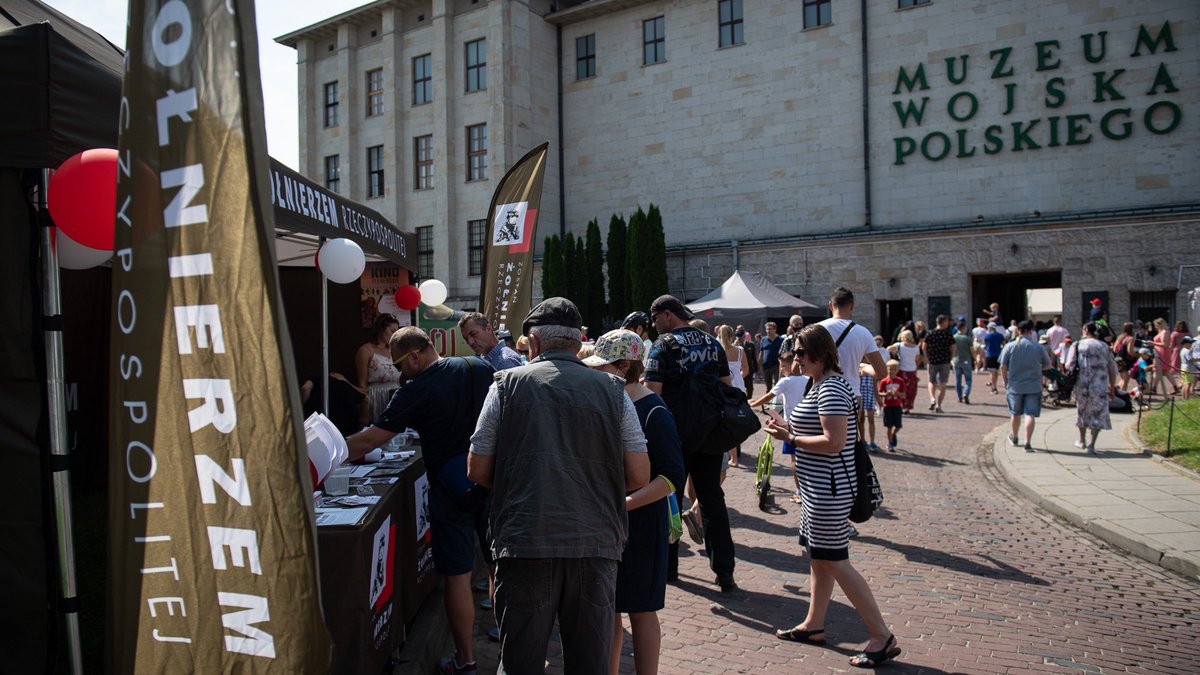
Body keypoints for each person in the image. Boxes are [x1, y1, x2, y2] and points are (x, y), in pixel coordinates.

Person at [467, 298, 650, 675]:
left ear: (533, 343)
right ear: (578, 341)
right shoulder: (614, 390)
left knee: (519, 662)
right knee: (590, 662)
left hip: (525, 539)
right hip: (594, 540)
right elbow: (638, 474)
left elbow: (478, 468)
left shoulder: (505, 385)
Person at [344, 327, 495, 675]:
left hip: (449, 489)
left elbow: (368, 442)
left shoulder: (417, 389)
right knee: (496, 566)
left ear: (414, 356)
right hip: (491, 480)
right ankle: (507, 641)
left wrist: (320, 452)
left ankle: (466, 660)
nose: (399, 372)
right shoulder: (478, 367)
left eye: (400, 364)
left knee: (457, 576)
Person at [763, 325, 901, 668]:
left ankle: (881, 635)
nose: (794, 358)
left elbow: (834, 443)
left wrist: (792, 439)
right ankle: (814, 624)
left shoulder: (832, 389)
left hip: (829, 490)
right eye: (793, 352)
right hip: (816, 489)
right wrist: (788, 430)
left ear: (820, 354)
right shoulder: (817, 385)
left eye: (799, 352)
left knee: (835, 559)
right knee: (819, 557)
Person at [581, 330, 686, 675]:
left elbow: (671, 477)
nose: (595, 372)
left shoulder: (654, 411)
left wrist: (626, 503)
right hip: (609, 522)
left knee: (640, 610)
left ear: (624, 366)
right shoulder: (608, 402)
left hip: (641, 526)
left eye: (603, 366)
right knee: (607, 608)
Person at [645, 295, 737, 592]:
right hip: (710, 433)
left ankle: (668, 569)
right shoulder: (712, 343)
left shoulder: (664, 345)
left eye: (655, 317)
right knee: (712, 501)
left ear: (669, 315)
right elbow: (727, 387)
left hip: (675, 434)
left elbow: (653, 393)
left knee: (668, 498)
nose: (653, 323)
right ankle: (725, 572)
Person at [818, 287, 887, 430]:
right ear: (852, 306)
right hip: (851, 393)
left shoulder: (817, 329)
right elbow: (881, 372)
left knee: (820, 437)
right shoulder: (863, 333)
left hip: (820, 391)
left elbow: (797, 368)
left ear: (830, 305)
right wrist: (864, 367)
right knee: (847, 441)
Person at [750, 351, 810, 501]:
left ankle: (799, 492)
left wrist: (752, 403)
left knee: (794, 459)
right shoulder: (809, 379)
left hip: (791, 424)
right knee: (808, 457)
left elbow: (768, 396)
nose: (781, 369)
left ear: (792, 365)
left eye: (784, 366)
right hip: (808, 423)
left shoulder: (786, 381)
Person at [999, 320, 1054, 452]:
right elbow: (1048, 365)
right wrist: (1038, 368)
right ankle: (1028, 442)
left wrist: (1005, 381)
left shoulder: (1010, 346)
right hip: (1034, 385)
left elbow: (1002, 366)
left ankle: (1015, 436)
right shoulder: (1038, 347)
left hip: (1015, 385)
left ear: (1018, 330)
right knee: (1030, 414)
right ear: (1031, 331)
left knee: (1015, 413)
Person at [1068, 322, 1119, 454]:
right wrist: (1112, 388)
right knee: (1098, 413)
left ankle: (1082, 440)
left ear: (1085, 330)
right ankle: (1091, 445)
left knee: (1082, 412)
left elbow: (1069, 365)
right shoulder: (1104, 346)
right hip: (1100, 385)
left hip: (1082, 384)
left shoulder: (1077, 345)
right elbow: (1113, 370)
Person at [355, 313, 401, 423]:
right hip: (376, 396)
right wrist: (365, 411)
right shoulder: (366, 350)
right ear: (381, 329)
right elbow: (362, 384)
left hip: (395, 394)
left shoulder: (395, 350)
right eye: (392, 331)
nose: (395, 335)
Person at [717, 324, 750, 468]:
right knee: (738, 419)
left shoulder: (718, 351)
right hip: (738, 387)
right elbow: (746, 370)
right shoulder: (740, 351)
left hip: (724, 387)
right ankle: (736, 452)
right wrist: (738, 378)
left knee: (726, 422)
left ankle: (733, 457)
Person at [458, 311, 524, 371]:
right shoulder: (485, 359)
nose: (470, 342)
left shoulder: (506, 361)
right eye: (466, 339)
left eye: (473, 334)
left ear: (488, 328)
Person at [922, 314, 955, 412]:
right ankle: (938, 405)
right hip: (945, 361)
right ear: (943, 322)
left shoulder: (930, 333)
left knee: (931, 381)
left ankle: (932, 398)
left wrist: (926, 357)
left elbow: (924, 346)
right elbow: (953, 347)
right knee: (943, 383)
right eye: (946, 321)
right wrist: (951, 358)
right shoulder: (948, 334)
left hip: (932, 361)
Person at [888, 330, 921, 413]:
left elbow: (888, 349)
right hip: (912, 371)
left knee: (901, 388)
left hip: (901, 370)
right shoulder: (916, 347)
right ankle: (908, 407)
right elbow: (917, 360)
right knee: (911, 390)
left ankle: (901, 405)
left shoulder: (898, 345)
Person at [877, 360, 906, 452]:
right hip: (888, 406)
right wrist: (886, 394)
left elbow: (904, 395)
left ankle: (893, 435)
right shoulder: (884, 381)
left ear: (897, 370)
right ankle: (890, 443)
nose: (892, 371)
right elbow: (879, 393)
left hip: (897, 406)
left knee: (898, 425)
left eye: (894, 369)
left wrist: (897, 393)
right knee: (889, 426)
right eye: (890, 369)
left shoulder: (900, 381)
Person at [951, 319, 974, 404]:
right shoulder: (968, 338)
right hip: (966, 361)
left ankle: (959, 397)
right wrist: (975, 358)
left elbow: (951, 349)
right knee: (968, 380)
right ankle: (966, 393)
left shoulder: (953, 337)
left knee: (957, 380)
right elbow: (972, 350)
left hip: (956, 361)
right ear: (964, 328)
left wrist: (951, 359)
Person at [759, 321, 784, 391]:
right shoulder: (763, 339)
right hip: (766, 365)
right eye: (767, 329)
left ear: (775, 329)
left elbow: (783, 353)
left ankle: (776, 399)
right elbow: (761, 353)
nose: (768, 331)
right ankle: (768, 399)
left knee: (777, 383)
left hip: (777, 365)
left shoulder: (781, 340)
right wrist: (759, 365)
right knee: (768, 385)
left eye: (770, 329)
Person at [1113, 322, 1138, 391]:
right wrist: (1138, 355)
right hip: (1126, 360)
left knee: (1122, 378)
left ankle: (1117, 392)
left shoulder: (1120, 337)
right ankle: (1123, 394)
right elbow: (1130, 351)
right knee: (1125, 380)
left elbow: (1115, 349)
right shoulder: (1130, 339)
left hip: (1118, 359)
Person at [983, 323, 1006, 393]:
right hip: (998, 355)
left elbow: (984, 343)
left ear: (990, 328)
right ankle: (994, 385)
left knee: (991, 372)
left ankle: (994, 387)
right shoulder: (1000, 335)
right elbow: (1004, 344)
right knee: (995, 371)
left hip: (989, 355)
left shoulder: (987, 335)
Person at [740, 324, 760, 399]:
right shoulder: (735, 345)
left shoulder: (751, 345)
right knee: (740, 386)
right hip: (739, 369)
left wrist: (756, 368)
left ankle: (749, 401)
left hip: (749, 369)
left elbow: (754, 358)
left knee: (750, 387)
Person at [1180, 336, 1199, 400]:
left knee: (1185, 384)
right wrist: (1199, 359)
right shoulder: (1187, 351)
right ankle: (1187, 399)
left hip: (1183, 368)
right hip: (1188, 369)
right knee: (1188, 384)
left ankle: (1184, 398)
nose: (1191, 344)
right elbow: (1190, 359)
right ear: (1185, 343)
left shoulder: (1183, 350)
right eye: (1190, 343)